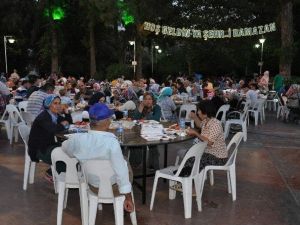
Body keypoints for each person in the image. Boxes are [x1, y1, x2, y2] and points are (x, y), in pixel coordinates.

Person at [62, 103, 134, 212]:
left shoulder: (78, 139)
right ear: (107, 122)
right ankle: (121, 203)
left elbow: (65, 148)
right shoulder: (112, 143)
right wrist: (128, 197)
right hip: (112, 187)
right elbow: (121, 173)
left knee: (121, 162)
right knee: (124, 163)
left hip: (91, 185)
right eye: (109, 118)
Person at [28, 95, 72, 182]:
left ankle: (61, 174)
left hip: (48, 144)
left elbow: (69, 122)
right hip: (39, 149)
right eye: (55, 103)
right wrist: (63, 124)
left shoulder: (54, 115)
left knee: (70, 149)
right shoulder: (43, 117)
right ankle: (52, 173)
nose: (58, 106)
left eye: (59, 103)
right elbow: (54, 129)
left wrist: (66, 112)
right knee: (65, 154)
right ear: (48, 105)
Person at [182, 100, 227, 176]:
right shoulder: (207, 120)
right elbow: (200, 125)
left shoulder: (215, 124)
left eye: (199, 110)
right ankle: (186, 175)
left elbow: (209, 142)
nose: (198, 112)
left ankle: (187, 176)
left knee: (194, 159)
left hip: (218, 157)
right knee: (189, 154)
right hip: (209, 152)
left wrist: (196, 133)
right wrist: (195, 117)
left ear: (205, 113)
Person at [131, 92, 162, 169]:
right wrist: (140, 107)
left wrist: (144, 119)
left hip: (153, 130)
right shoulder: (141, 106)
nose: (148, 101)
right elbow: (134, 119)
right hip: (140, 130)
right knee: (135, 143)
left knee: (153, 146)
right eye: (145, 99)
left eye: (150, 99)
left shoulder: (156, 107)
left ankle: (152, 165)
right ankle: (135, 163)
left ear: (153, 100)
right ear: (143, 100)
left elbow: (156, 118)